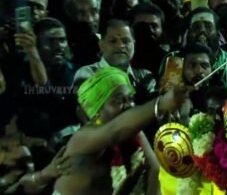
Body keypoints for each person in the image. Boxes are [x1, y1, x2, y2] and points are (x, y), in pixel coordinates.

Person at [54, 66, 191, 195]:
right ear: (96, 111)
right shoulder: (82, 137)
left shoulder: (132, 131)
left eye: (130, 99)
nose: (129, 105)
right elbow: (114, 131)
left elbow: (155, 169)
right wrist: (160, 104)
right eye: (119, 100)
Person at [73, 19, 156, 104]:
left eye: (126, 41)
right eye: (113, 41)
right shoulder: (87, 73)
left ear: (134, 44)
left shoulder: (145, 76)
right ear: (101, 45)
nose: (120, 46)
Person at [63, 0, 101, 67]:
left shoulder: (106, 43)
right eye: (81, 13)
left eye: (94, 12)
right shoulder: (64, 45)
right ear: (71, 15)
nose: (89, 19)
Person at [130, 3, 168, 79]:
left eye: (154, 26)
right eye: (141, 26)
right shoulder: (121, 59)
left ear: (162, 29)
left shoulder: (171, 61)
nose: (149, 30)